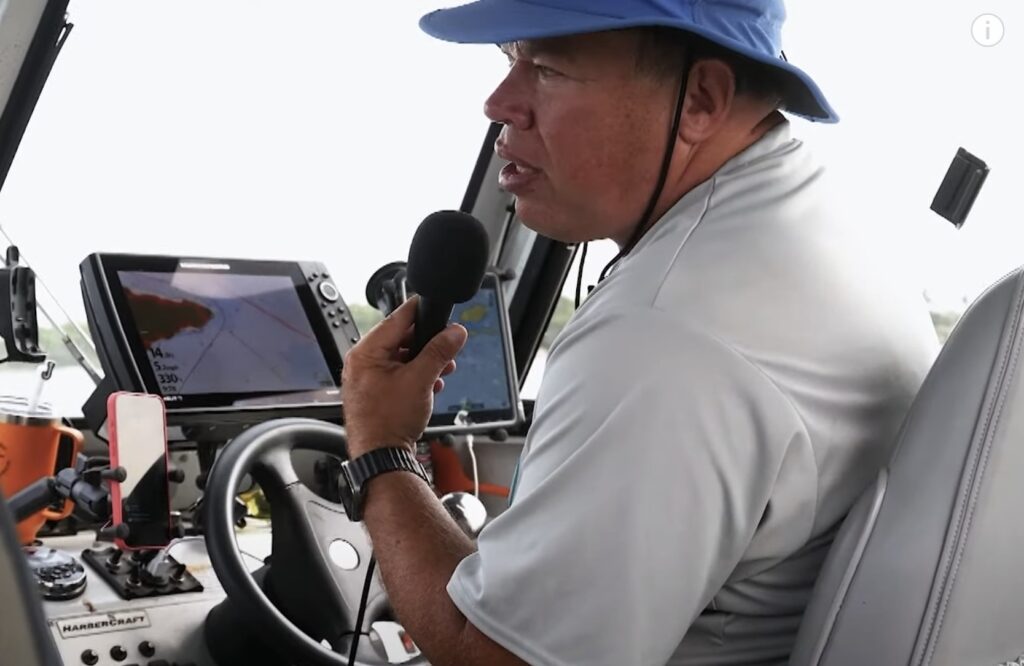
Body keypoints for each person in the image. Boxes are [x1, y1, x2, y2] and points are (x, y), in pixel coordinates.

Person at [340, 0, 940, 663]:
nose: (499, 102)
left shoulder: (667, 332)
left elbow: (493, 657)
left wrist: (382, 448)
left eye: (548, 68)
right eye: (510, 59)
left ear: (702, 100)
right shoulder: (821, 225)